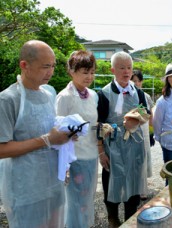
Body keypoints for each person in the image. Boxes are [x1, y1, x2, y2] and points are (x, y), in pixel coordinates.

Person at [0, 40, 71, 228]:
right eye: (45, 67)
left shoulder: (48, 94)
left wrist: (64, 142)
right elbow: (1, 149)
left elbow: (52, 132)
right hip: (26, 190)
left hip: (53, 183)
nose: (51, 72)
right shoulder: (8, 99)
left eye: (53, 66)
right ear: (25, 65)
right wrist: (46, 140)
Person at [97, 51, 148, 227]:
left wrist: (136, 118)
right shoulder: (103, 93)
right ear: (112, 69)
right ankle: (112, 217)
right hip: (113, 145)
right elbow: (99, 124)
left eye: (129, 67)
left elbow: (145, 113)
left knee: (134, 178)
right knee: (111, 179)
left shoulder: (138, 93)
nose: (126, 72)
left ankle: (130, 216)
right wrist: (101, 151)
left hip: (134, 143)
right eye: (121, 68)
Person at [55, 50, 99, 228]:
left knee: (88, 197)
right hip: (74, 158)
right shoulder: (64, 97)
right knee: (74, 200)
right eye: (85, 72)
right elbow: (56, 129)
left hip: (91, 153)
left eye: (92, 72)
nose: (89, 76)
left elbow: (92, 123)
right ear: (71, 71)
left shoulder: (93, 95)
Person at [131, 69, 154, 200]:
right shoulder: (125, 94)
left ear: (141, 82)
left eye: (137, 81)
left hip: (144, 130)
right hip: (131, 130)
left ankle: (143, 190)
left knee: (143, 159)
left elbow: (150, 115)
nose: (135, 83)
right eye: (132, 81)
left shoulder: (145, 96)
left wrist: (151, 133)